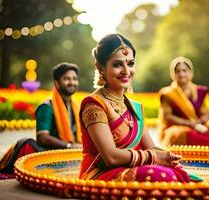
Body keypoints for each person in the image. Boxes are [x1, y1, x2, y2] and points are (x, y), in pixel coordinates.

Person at [79, 34, 192, 183]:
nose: (126, 71)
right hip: (100, 174)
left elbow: (150, 147)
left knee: (179, 173)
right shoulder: (94, 105)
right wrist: (153, 157)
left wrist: (169, 157)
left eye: (130, 63)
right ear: (101, 68)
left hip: (131, 166)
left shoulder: (134, 107)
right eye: (117, 64)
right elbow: (111, 157)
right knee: (162, 176)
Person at [0, 63, 82, 180]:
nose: (72, 82)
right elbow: (42, 137)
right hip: (47, 153)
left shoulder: (74, 107)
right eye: (67, 79)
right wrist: (69, 146)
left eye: (74, 79)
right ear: (56, 83)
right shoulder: (47, 106)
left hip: (63, 153)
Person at [159, 57, 209, 147]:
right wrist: (188, 124)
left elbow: (204, 112)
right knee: (186, 135)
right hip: (177, 128)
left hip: (196, 126)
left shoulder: (199, 91)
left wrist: (200, 121)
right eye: (178, 71)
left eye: (184, 70)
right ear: (173, 74)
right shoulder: (168, 93)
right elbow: (168, 117)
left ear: (191, 73)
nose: (182, 74)